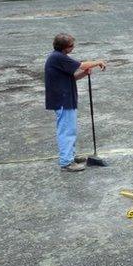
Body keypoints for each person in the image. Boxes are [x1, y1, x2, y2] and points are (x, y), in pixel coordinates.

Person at [44, 33, 106, 172]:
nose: (73, 47)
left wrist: (85, 74)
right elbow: (82, 65)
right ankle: (66, 162)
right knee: (66, 131)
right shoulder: (58, 58)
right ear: (65, 47)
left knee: (69, 129)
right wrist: (97, 62)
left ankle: (70, 156)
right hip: (63, 100)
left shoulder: (60, 58)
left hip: (66, 98)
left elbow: (72, 77)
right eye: (71, 45)